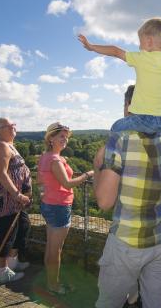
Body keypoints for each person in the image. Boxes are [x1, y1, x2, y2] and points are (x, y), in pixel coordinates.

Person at [91, 85, 161, 308]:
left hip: (128, 241)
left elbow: (104, 202)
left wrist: (98, 166)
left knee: (109, 303)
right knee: (157, 303)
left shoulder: (119, 140)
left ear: (129, 107)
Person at [78, 17, 161, 134]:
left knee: (116, 127)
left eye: (140, 41)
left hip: (144, 119)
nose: (139, 46)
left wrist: (91, 47)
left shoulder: (141, 58)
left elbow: (115, 51)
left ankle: (111, 151)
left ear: (149, 41)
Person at [37, 122, 94, 294]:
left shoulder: (47, 157)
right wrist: (88, 174)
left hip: (49, 204)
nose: (65, 140)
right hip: (59, 207)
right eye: (61, 136)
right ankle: (54, 285)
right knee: (56, 250)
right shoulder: (55, 160)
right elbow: (68, 184)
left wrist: (63, 161)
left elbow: (43, 180)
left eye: (66, 137)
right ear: (51, 138)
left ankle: (50, 281)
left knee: (50, 247)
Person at [0, 117, 32, 283]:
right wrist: (17, 194)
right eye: (10, 125)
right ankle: (1, 272)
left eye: (14, 124)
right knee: (6, 233)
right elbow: (1, 174)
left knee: (22, 227)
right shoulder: (1, 146)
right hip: (7, 199)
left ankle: (12, 264)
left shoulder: (10, 146)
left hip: (15, 200)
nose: (14, 126)